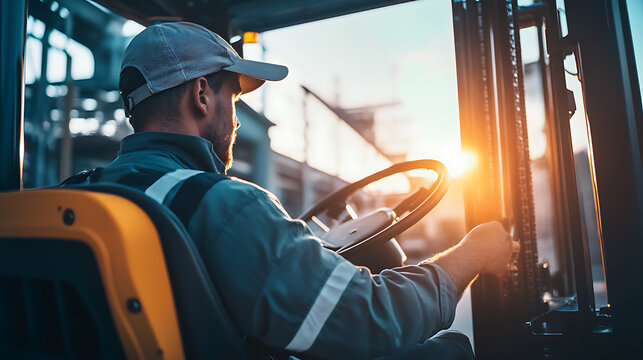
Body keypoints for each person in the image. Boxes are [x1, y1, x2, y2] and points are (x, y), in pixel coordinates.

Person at [72, 22, 514, 359]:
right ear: (202, 96)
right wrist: (471, 254)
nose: (237, 118)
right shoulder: (224, 204)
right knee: (451, 348)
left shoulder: (79, 198)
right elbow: (368, 318)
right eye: (235, 98)